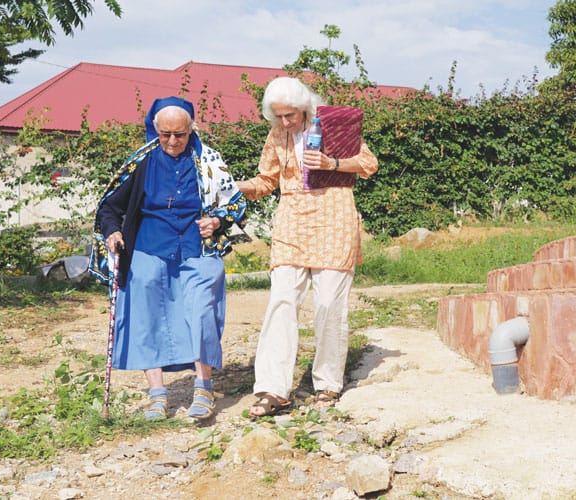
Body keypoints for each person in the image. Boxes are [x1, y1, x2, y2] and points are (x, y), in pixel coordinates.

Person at [89, 96, 246, 420]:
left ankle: (204, 389)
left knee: (202, 312)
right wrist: (113, 233)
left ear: (191, 130)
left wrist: (217, 221)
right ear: (154, 130)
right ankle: (157, 397)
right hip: (149, 247)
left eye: (180, 135)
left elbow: (236, 204)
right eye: (165, 135)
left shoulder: (209, 161)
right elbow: (109, 207)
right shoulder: (142, 162)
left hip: (197, 248)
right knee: (147, 316)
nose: (173, 141)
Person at [236, 77, 378, 418]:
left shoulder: (335, 125)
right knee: (281, 300)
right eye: (278, 117)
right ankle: (274, 389)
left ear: (305, 108)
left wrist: (333, 164)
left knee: (328, 304)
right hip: (292, 221)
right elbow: (266, 181)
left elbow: (369, 165)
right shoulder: (277, 136)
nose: (285, 122)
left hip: (335, 215)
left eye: (290, 115)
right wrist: (233, 187)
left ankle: (327, 383)